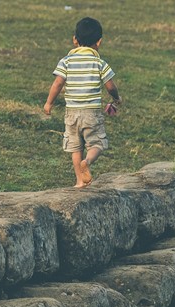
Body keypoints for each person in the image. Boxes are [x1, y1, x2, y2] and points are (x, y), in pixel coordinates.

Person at [44, 17, 123, 188]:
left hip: (71, 112)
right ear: (99, 42)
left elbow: (58, 83)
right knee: (97, 143)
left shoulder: (66, 61)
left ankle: (79, 181)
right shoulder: (99, 63)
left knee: (75, 147)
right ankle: (87, 162)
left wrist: (49, 103)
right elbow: (110, 86)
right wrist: (116, 98)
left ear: (75, 39)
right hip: (91, 113)